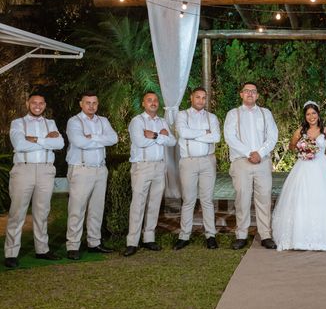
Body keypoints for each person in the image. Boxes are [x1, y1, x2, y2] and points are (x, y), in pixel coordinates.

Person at [272, 101, 326, 251]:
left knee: (322, 200)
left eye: (314, 113)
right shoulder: (300, 131)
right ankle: (299, 238)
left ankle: (324, 239)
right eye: (308, 114)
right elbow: (291, 146)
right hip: (304, 168)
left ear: (318, 114)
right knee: (302, 198)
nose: (311, 116)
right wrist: (302, 148)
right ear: (305, 116)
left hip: (321, 168)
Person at [4, 93, 64, 269]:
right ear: (27, 104)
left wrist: (35, 139)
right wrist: (47, 141)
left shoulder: (50, 123)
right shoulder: (18, 123)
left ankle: (42, 249)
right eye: (34, 103)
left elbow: (60, 144)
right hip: (24, 169)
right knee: (17, 212)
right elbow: (20, 145)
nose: (37, 106)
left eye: (40, 103)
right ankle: (11, 253)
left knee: (42, 211)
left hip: (46, 170)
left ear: (45, 105)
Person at [224, 82, 279, 250]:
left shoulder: (265, 113)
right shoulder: (233, 114)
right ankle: (241, 235)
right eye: (247, 91)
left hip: (262, 162)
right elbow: (230, 137)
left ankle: (265, 235)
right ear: (241, 94)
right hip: (242, 162)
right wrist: (249, 153)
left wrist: (259, 153)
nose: (250, 94)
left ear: (257, 95)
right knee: (242, 199)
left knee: (264, 198)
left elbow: (272, 136)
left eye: (253, 91)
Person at [66, 91, 118, 260]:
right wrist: (99, 139)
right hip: (81, 169)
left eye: (94, 103)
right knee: (77, 208)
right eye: (87, 102)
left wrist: (93, 137)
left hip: (100, 169)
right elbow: (79, 142)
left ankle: (94, 242)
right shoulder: (74, 121)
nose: (91, 106)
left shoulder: (103, 121)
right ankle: (73, 245)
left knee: (97, 208)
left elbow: (114, 139)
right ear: (81, 104)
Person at [123, 91, 177, 257]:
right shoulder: (137, 121)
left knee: (154, 203)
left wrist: (153, 135)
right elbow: (139, 141)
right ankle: (132, 242)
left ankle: (149, 238)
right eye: (149, 100)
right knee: (138, 203)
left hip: (159, 167)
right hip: (142, 167)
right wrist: (161, 136)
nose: (153, 103)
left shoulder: (162, 121)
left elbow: (173, 141)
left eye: (155, 100)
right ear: (143, 103)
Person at [174, 87, 220, 250]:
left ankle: (210, 235)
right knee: (189, 200)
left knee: (207, 200)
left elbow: (216, 137)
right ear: (191, 98)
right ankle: (184, 235)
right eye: (198, 97)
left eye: (203, 98)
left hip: (208, 161)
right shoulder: (182, 115)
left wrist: (195, 134)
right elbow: (183, 132)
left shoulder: (212, 117)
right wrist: (203, 133)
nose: (201, 100)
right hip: (188, 162)